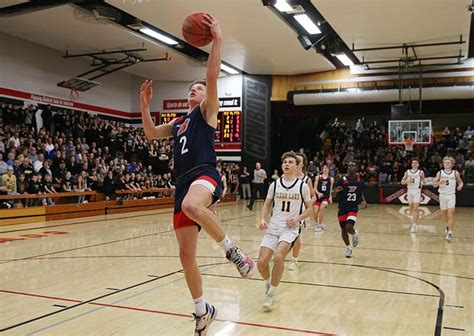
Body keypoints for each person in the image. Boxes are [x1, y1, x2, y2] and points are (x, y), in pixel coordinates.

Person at [139, 13, 255, 336]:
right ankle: (202, 311)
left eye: (199, 88)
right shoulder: (178, 124)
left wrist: (217, 40)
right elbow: (150, 134)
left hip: (206, 174)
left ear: (207, 96)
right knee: (185, 255)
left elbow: (212, 75)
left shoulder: (207, 112)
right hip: (181, 184)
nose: (195, 89)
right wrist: (145, 105)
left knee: (193, 206)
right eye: (191, 88)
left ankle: (233, 250)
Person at [257, 151, 312, 311]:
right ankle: (269, 284)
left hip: (290, 228)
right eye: (285, 162)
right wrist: (262, 219)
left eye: (290, 162)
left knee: (279, 256)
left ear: (296, 167)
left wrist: (298, 219)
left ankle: (272, 292)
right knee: (261, 262)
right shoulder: (275, 184)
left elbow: (309, 210)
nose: (287, 164)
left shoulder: (302, 186)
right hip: (274, 226)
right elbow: (267, 204)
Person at [332, 162, 366, 258]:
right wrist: (335, 191)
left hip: (353, 207)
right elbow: (333, 194)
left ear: (356, 168)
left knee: (348, 227)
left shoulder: (360, 181)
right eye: (349, 165)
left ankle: (355, 233)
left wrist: (364, 201)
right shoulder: (341, 180)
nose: (351, 167)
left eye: (353, 165)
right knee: (343, 230)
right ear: (347, 168)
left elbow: (361, 192)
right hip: (342, 207)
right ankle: (348, 248)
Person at [288, 152, 314, 271]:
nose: (297, 163)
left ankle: (294, 260)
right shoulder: (287, 177)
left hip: (300, 211)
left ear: (303, 164)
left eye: (299, 161)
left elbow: (313, 196)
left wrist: (307, 206)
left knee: (296, 235)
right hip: (287, 210)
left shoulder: (306, 180)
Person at [433, 156, 463, 241]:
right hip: (442, 195)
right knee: (444, 216)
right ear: (443, 164)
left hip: (451, 195)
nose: (447, 164)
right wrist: (439, 182)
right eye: (445, 163)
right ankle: (448, 226)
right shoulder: (440, 173)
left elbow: (460, 182)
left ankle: (450, 232)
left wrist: (460, 186)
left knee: (451, 213)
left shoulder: (455, 173)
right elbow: (434, 184)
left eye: (449, 163)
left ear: (452, 164)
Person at [401, 158, 425, 233]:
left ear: (418, 164)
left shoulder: (421, 172)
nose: (414, 164)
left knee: (415, 209)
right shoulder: (407, 172)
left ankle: (414, 224)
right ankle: (415, 221)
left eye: (416, 163)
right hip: (409, 191)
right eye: (413, 163)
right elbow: (402, 182)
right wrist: (406, 181)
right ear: (411, 164)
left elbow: (424, 181)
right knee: (411, 209)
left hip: (417, 191)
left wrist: (425, 181)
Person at [313, 165, 334, 232]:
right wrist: (318, 193)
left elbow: (331, 189)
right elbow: (314, 188)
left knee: (322, 208)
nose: (325, 169)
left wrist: (330, 197)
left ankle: (320, 224)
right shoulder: (318, 177)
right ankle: (317, 223)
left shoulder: (331, 179)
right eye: (324, 168)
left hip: (325, 196)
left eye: (326, 168)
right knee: (315, 211)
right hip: (318, 196)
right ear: (322, 169)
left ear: (328, 170)